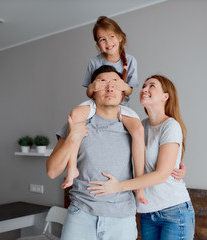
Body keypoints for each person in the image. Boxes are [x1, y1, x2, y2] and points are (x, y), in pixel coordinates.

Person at [88, 75, 195, 239]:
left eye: (152, 86)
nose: (144, 89)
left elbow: (161, 175)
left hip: (174, 211)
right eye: (144, 86)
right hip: (147, 212)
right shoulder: (139, 126)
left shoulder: (170, 126)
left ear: (165, 97)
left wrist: (118, 186)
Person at [46, 65, 138, 240]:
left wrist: (177, 169)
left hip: (122, 221)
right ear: (92, 92)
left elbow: (153, 162)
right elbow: (52, 171)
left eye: (115, 83)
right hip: (81, 216)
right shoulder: (76, 122)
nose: (110, 87)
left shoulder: (134, 128)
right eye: (102, 83)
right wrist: (73, 137)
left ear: (123, 93)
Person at [62, 16, 146, 205]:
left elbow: (130, 89)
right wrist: (96, 86)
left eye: (111, 36)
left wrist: (120, 84)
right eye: (102, 39)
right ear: (98, 44)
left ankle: (139, 187)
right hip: (97, 104)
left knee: (139, 130)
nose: (108, 43)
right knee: (75, 116)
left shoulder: (130, 61)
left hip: (121, 105)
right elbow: (88, 90)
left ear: (120, 37)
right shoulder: (94, 62)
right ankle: (72, 169)